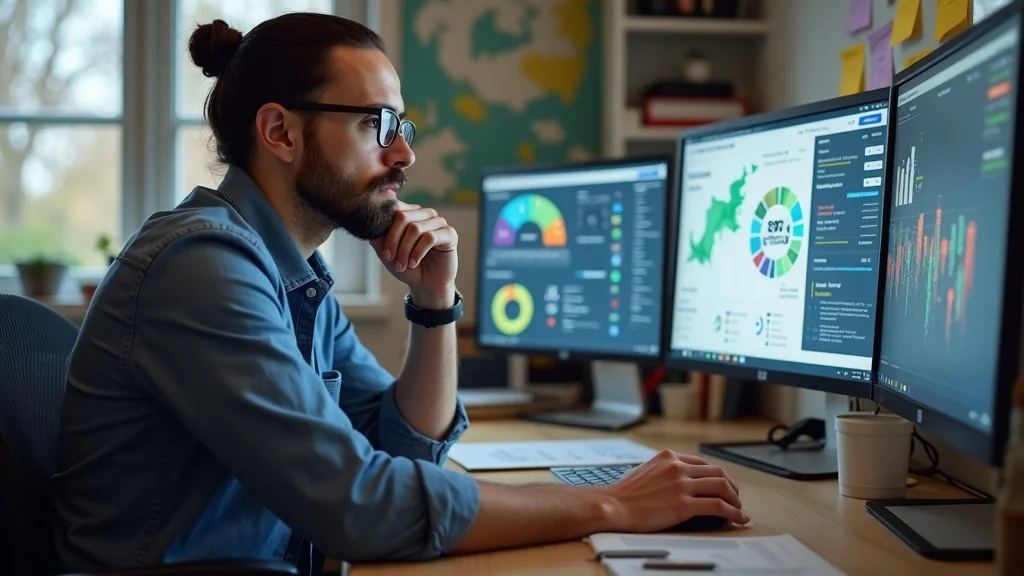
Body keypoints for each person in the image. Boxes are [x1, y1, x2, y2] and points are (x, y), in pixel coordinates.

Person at [50, 12, 749, 574]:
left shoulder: (296, 276)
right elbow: (360, 509)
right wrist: (609, 507)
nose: (405, 154)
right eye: (375, 125)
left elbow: (404, 450)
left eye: (402, 127)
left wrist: (434, 303)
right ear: (280, 132)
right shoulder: (202, 267)